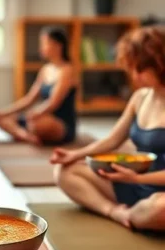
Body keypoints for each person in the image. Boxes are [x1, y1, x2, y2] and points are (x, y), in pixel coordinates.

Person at [51, 26, 165, 231]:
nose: (134, 76)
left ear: (159, 65)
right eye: (132, 68)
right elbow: (113, 139)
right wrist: (74, 154)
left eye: (140, 69)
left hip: (157, 193)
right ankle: (116, 212)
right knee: (64, 171)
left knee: (161, 208)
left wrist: (137, 178)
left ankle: (137, 215)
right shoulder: (140, 97)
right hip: (135, 184)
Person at [0, 26, 78, 146]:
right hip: (39, 117)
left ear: (58, 45)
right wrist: (2, 113)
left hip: (59, 123)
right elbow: (29, 99)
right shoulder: (45, 70)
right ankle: (27, 136)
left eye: (44, 43)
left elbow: (53, 102)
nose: (41, 48)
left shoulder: (67, 70)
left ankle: (26, 134)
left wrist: (36, 113)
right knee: (1, 120)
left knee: (37, 124)